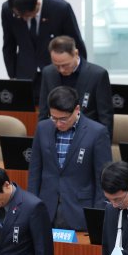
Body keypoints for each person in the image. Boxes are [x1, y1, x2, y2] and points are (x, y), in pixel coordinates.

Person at [28, 86, 111, 231]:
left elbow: (102, 179)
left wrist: (97, 216)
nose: (58, 123)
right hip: (46, 209)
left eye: (63, 119)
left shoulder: (97, 132)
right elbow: (35, 172)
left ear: (77, 109)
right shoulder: (43, 128)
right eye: (54, 118)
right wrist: (31, 207)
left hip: (80, 212)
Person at [1, 0, 86, 101]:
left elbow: (76, 44)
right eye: (18, 16)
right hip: (25, 77)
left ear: (37, 5)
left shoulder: (60, 8)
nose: (23, 19)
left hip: (57, 75)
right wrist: (13, 76)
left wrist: (80, 77)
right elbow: (8, 45)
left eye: (26, 16)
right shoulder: (8, 10)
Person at [38, 36, 114, 137]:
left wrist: (104, 145)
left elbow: (105, 116)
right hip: (55, 135)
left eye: (65, 65)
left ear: (76, 53)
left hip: (87, 136)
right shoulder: (48, 72)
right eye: (56, 65)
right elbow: (43, 112)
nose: (61, 70)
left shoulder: (97, 75)